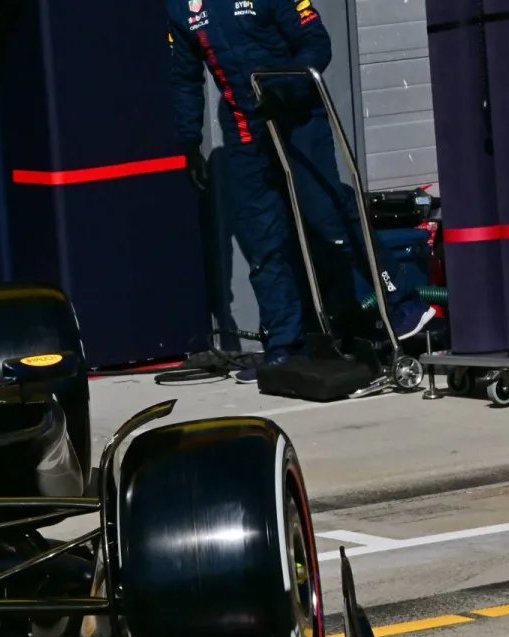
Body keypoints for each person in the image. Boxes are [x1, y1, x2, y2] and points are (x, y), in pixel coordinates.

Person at [168, 0, 438, 381]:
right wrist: (188, 141)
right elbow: (185, 75)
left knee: (327, 214)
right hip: (245, 129)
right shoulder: (181, 6)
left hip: (297, 114)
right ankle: (284, 346)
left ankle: (402, 304)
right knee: (262, 237)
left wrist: (285, 85)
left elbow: (317, 42)